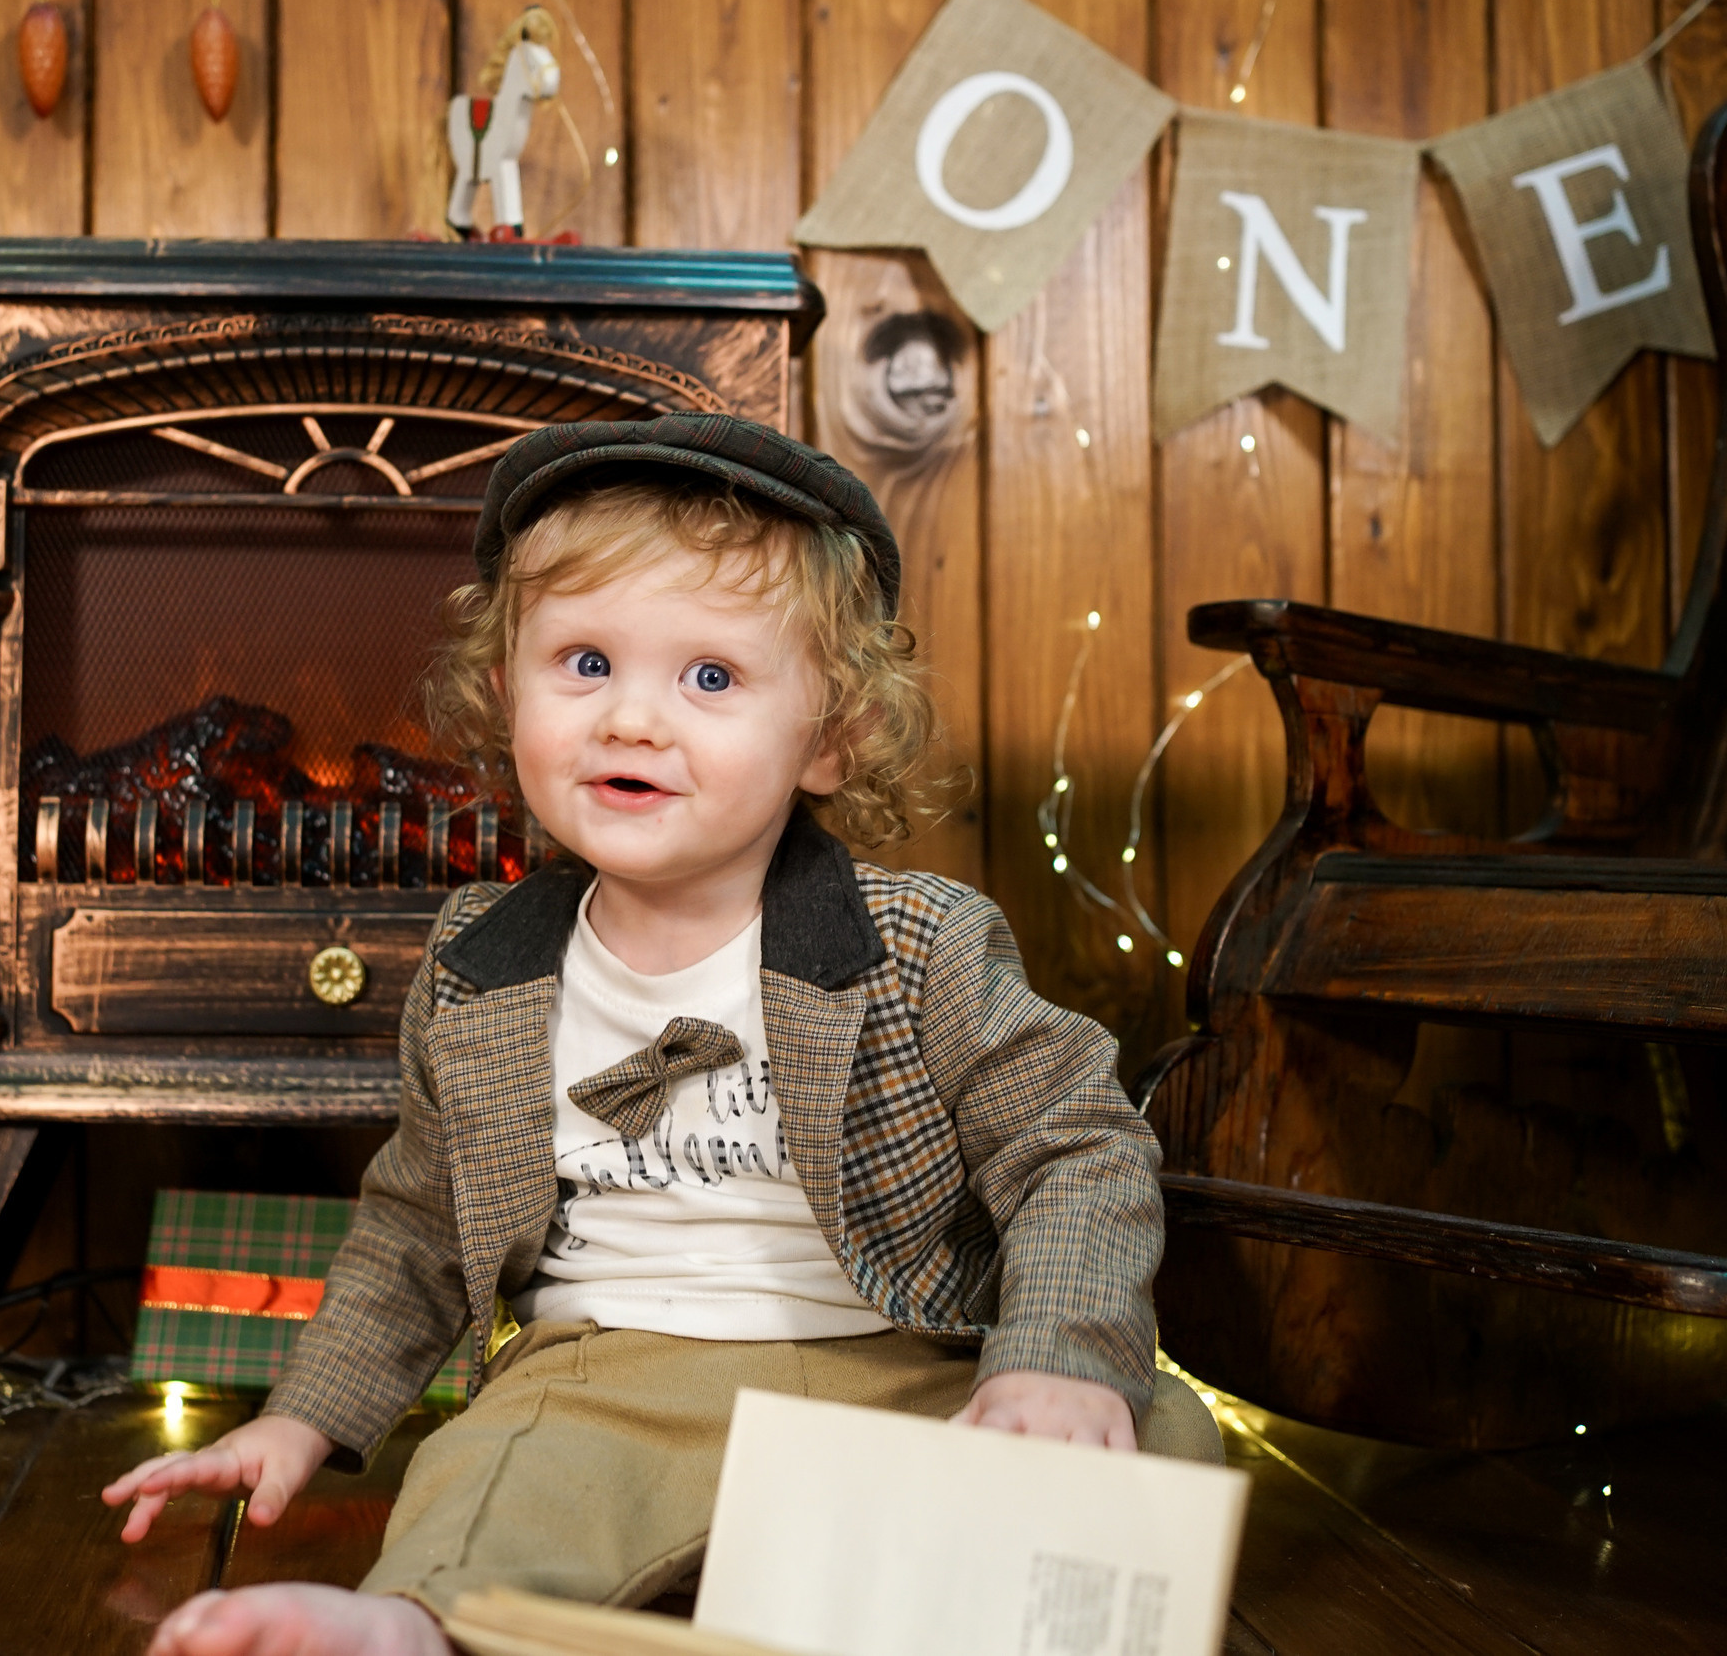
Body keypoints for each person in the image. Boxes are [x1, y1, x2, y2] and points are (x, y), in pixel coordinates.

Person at [102, 414, 1221, 1656]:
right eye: (584, 664)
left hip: (898, 1356)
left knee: (1150, 1430)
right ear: (500, 692)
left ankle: (890, 1584)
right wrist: (299, 1419)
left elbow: (1077, 1148)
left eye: (709, 678)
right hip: (613, 1377)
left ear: (831, 738)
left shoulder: (916, 943)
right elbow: (417, 1228)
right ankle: (410, 1628)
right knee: (493, 1474)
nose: (633, 719)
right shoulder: (483, 970)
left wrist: (1055, 1359)